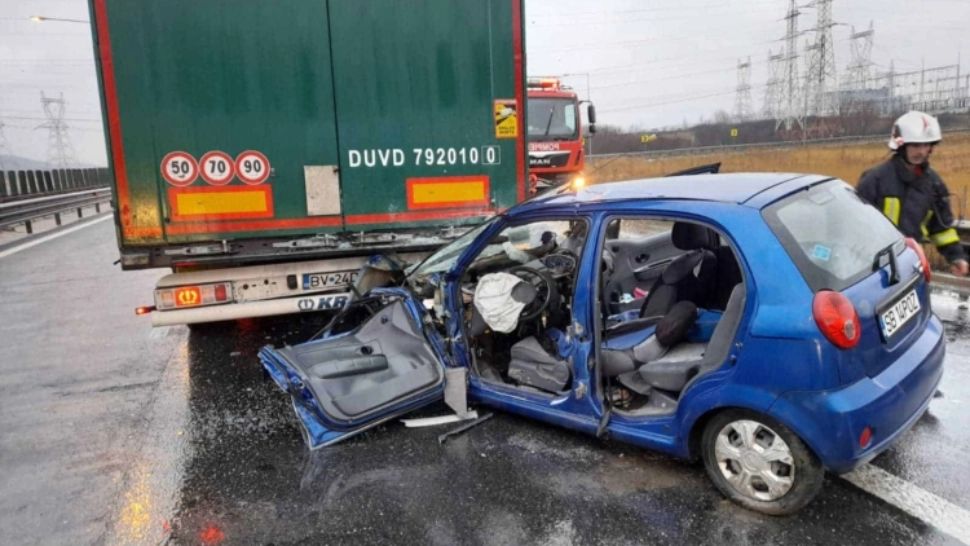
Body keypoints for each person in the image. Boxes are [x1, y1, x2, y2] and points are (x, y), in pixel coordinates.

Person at [857, 111, 969, 276]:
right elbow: (856, 225)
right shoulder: (874, 180)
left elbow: (941, 229)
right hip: (873, 267)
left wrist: (956, 257)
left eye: (926, 145)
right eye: (916, 145)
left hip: (911, 265)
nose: (921, 151)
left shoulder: (934, 185)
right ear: (901, 146)